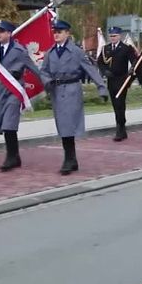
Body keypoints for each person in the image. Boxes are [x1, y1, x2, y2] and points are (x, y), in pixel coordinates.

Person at [42, 20, 108, 175]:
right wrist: (47, 81)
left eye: (60, 32)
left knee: (68, 125)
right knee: (62, 125)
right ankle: (72, 159)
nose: (56, 34)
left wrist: (101, 88)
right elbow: (43, 71)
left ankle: (68, 159)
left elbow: (90, 69)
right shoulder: (51, 52)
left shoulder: (76, 51)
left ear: (67, 33)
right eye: (55, 32)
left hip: (72, 89)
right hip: (57, 90)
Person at [0, 20, 43, 172]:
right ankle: (16, 157)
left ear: (9, 33)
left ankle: (11, 157)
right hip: (0, 90)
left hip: (14, 91)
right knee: (2, 124)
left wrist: (48, 82)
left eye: (1, 31)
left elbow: (33, 68)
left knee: (9, 124)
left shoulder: (19, 51)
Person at [97, 27, 139, 141]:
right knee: (115, 105)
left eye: (114, 36)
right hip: (111, 80)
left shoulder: (126, 48)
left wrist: (132, 69)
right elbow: (100, 62)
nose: (112, 38)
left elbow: (135, 60)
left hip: (122, 80)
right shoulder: (106, 49)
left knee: (120, 104)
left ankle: (120, 128)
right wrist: (104, 71)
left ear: (119, 36)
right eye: (111, 36)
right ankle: (121, 127)